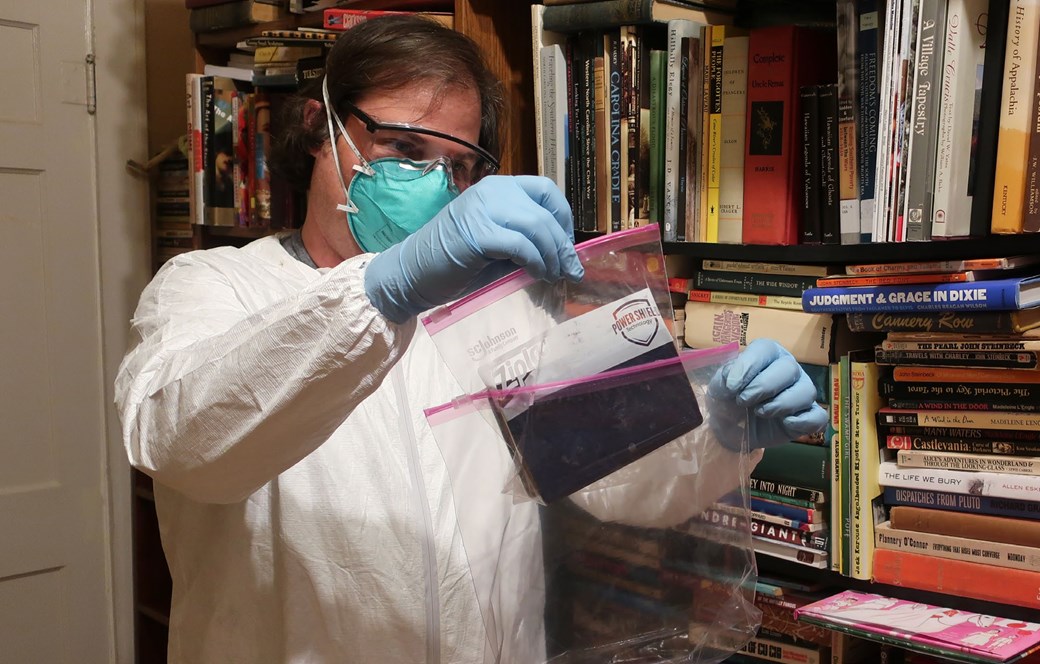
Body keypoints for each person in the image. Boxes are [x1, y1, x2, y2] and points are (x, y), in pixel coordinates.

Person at [116, 16, 827, 663]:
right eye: (403, 147)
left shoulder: (499, 311)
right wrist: (384, 289)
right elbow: (182, 441)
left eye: (458, 166)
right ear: (318, 126)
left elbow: (614, 478)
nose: (435, 185)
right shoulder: (210, 287)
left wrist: (718, 429)